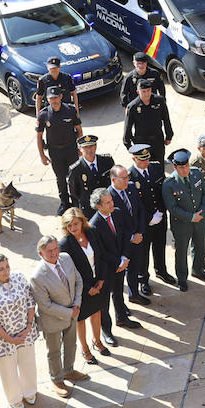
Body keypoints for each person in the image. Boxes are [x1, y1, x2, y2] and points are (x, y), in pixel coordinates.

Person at [29, 235, 87, 397]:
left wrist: (77, 304)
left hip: (73, 312)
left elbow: (78, 281)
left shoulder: (66, 258)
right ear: (41, 254)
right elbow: (45, 306)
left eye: (56, 248)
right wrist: (70, 312)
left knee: (71, 344)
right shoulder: (37, 276)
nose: (55, 253)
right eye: (49, 251)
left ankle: (68, 371)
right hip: (53, 319)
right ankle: (56, 379)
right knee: (54, 351)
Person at [0, 253, 38, 408]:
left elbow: (30, 302)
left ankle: (30, 391)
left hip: (25, 332)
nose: (5, 272)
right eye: (0, 269)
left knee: (28, 364)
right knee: (8, 371)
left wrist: (28, 327)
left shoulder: (19, 278)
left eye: (7, 267)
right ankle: (14, 398)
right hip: (3, 340)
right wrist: (9, 338)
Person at [59, 208, 110, 361]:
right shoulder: (65, 244)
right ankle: (85, 349)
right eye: (69, 226)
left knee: (97, 312)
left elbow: (101, 255)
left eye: (75, 224)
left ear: (82, 221)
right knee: (80, 319)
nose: (73, 228)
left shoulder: (92, 232)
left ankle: (97, 341)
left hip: (97, 283)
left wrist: (101, 280)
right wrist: (88, 289)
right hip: (80, 289)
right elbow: (70, 273)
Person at [88, 188, 139, 332]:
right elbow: (100, 252)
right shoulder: (93, 225)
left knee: (118, 293)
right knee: (104, 302)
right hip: (107, 268)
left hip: (121, 263)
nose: (112, 204)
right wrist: (118, 262)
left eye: (111, 200)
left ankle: (122, 317)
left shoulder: (116, 213)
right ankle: (106, 331)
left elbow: (125, 235)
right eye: (107, 202)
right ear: (99, 206)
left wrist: (124, 257)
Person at [162, 150, 205, 287]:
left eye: (187, 166)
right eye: (181, 168)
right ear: (175, 167)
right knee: (182, 251)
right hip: (182, 224)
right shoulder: (169, 184)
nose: (185, 170)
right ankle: (182, 278)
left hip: (200, 219)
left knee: (200, 245)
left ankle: (198, 269)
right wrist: (191, 217)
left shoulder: (196, 173)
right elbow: (172, 208)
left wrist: (201, 210)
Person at [128, 142, 171, 287]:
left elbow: (164, 192)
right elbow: (133, 205)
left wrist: (161, 211)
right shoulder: (130, 177)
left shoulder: (157, 168)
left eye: (147, 158)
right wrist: (148, 219)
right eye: (142, 160)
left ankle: (161, 271)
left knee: (160, 246)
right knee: (143, 252)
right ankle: (143, 279)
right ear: (134, 159)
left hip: (160, 217)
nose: (146, 162)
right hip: (143, 223)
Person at [36, 87, 83, 215]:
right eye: (51, 98)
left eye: (56, 97)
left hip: (71, 149)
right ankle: (64, 203)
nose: (54, 100)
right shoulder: (43, 114)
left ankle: (76, 201)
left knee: (74, 176)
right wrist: (42, 155)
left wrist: (81, 146)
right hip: (55, 152)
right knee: (60, 178)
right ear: (47, 99)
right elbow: (39, 136)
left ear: (61, 96)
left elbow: (79, 129)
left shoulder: (71, 110)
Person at [108, 161, 150, 302]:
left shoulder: (131, 188)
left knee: (135, 267)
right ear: (114, 180)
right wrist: (131, 237)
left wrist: (140, 232)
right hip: (123, 241)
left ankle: (134, 294)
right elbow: (116, 224)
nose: (127, 180)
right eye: (123, 178)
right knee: (122, 272)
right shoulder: (109, 197)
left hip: (137, 236)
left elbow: (141, 210)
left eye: (127, 177)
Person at [125, 79, 174, 156]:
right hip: (142, 141)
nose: (147, 93)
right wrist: (128, 145)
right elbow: (128, 127)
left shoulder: (159, 101)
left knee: (159, 163)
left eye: (148, 90)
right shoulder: (132, 107)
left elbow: (166, 119)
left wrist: (169, 136)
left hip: (157, 139)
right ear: (138, 92)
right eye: (144, 91)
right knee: (144, 164)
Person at [67, 134, 113, 212]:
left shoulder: (107, 161)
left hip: (107, 204)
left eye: (91, 146)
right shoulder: (75, 169)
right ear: (80, 149)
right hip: (89, 208)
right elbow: (74, 192)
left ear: (96, 146)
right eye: (85, 147)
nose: (89, 150)